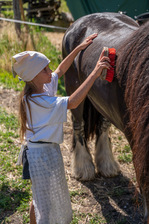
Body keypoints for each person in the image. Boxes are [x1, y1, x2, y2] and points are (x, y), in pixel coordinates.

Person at [12, 33, 110, 224]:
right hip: (40, 156)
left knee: (40, 197)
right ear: (33, 77)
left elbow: (61, 69)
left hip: (43, 151)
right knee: (44, 202)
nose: (51, 73)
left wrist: (79, 48)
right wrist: (95, 72)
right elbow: (73, 102)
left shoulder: (41, 88)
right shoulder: (38, 100)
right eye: (45, 70)